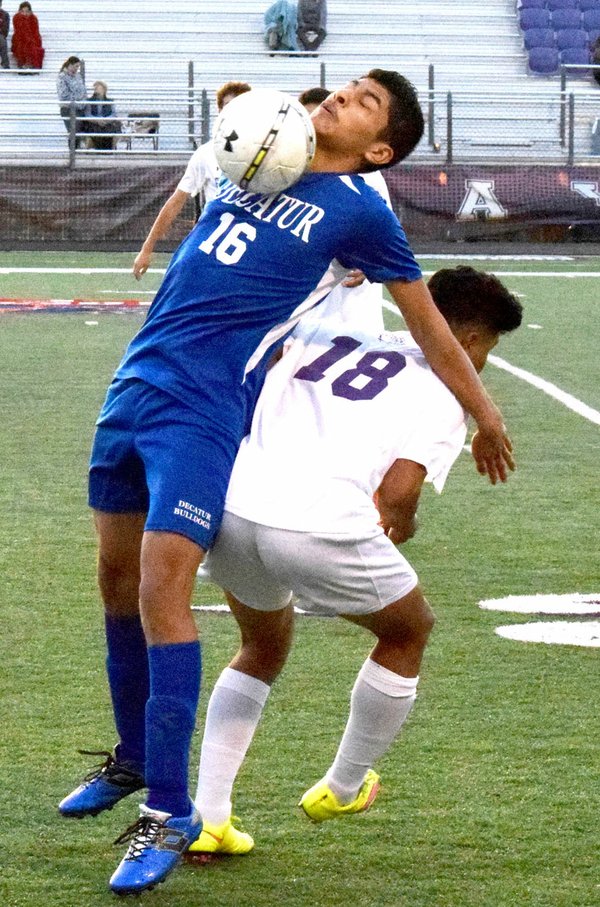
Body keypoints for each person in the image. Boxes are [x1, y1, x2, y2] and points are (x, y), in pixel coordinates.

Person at [57, 71, 514, 897]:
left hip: (202, 406)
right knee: (116, 587)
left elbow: (430, 327)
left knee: (164, 593)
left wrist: (484, 414)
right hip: (135, 384)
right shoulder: (268, 152)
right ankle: (133, 758)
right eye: (342, 88)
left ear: (379, 149)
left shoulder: (362, 212)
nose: (340, 97)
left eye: (363, 103)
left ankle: (171, 809)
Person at [188, 267, 523, 856]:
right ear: (470, 341)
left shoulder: (330, 336)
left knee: (260, 646)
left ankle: (209, 816)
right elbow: (396, 496)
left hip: (235, 513)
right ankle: (342, 787)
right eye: (488, 349)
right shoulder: (449, 386)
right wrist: (406, 525)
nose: (484, 362)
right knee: (408, 630)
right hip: (320, 526)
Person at [132, 80, 251, 280]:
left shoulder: (269, 155)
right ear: (220, 112)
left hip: (255, 242)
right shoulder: (206, 154)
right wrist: (147, 248)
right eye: (228, 107)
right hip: (217, 243)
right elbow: (176, 202)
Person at [299, 85, 391, 332]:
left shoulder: (366, 181)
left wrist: (368, 260)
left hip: (350, 318)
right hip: (302, 317)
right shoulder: (290, 172)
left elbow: (384, 243)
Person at [56, 56, 88, 143]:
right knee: (73, 129)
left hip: (80, 107)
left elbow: (83, 90)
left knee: (81, 129)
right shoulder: (62, 77)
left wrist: (83, 99)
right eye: (76, 66)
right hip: (68, 108)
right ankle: (72, 151)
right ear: (70, 65)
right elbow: (63, 95)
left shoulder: (78, 76)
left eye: (78, 67)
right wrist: (78, 97)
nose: (77, 69)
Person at [85, 80, 121, 151]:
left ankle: (110, 148)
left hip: (107, 122)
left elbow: (113, 114)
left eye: (98, 87)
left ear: (104, 89)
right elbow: (88, 114)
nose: (95, 89)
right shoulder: (89, 101)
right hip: (94, 123)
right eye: (95, 88)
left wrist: (106, 120)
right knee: (91, 127)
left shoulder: (110, 101)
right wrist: (97, 120)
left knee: (116, 125)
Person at [11, 0, 43, 70]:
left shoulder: (33, 18)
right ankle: (23, 64)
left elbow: (36, 31)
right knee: (22, 45)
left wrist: (32, 40)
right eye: (23, 11)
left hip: (31, 40)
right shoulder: (17, 17)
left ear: (30, 11)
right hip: (19, 39)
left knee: (32, 46)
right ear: (20, 11)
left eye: (27, 11)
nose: (25, 13)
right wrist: (24, 19)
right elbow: (18, 31)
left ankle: (30, 65)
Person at [0, 0, 10, 70]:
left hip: (0, 34)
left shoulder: (5, 14)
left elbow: (6, 29)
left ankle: (5, 64)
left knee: (2, 41)